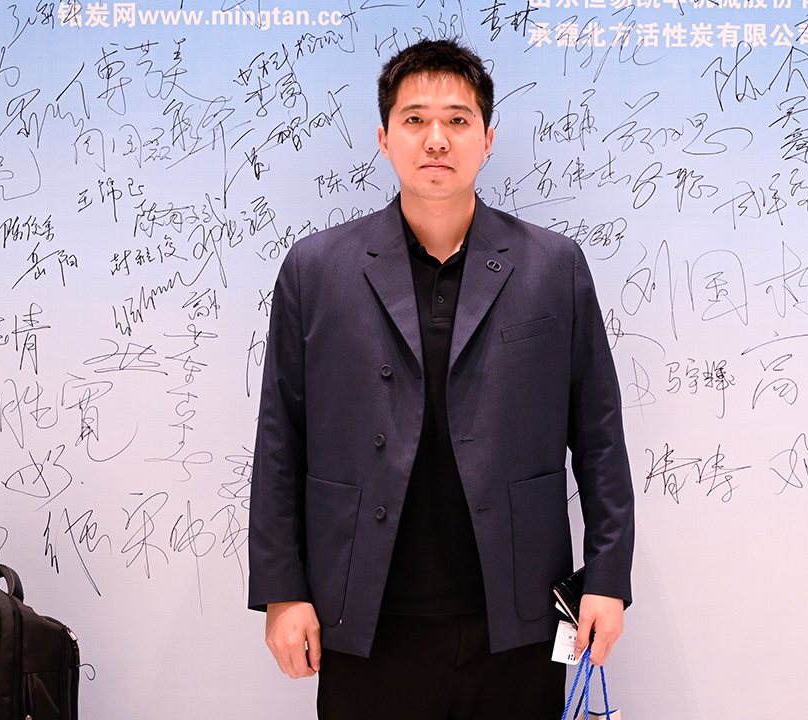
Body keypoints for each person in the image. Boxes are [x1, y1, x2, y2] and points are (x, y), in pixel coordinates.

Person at [248, 38, 634, 720]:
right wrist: (284, 591)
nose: (436, 139)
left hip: (518, 609)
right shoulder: (316, 270)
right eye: (415, 119)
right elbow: (281, 440)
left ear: (487, 139)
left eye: (457, 120)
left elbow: (599, 435)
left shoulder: (553, 266)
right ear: (384, 138)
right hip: (363, 612)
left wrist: (607, 577)